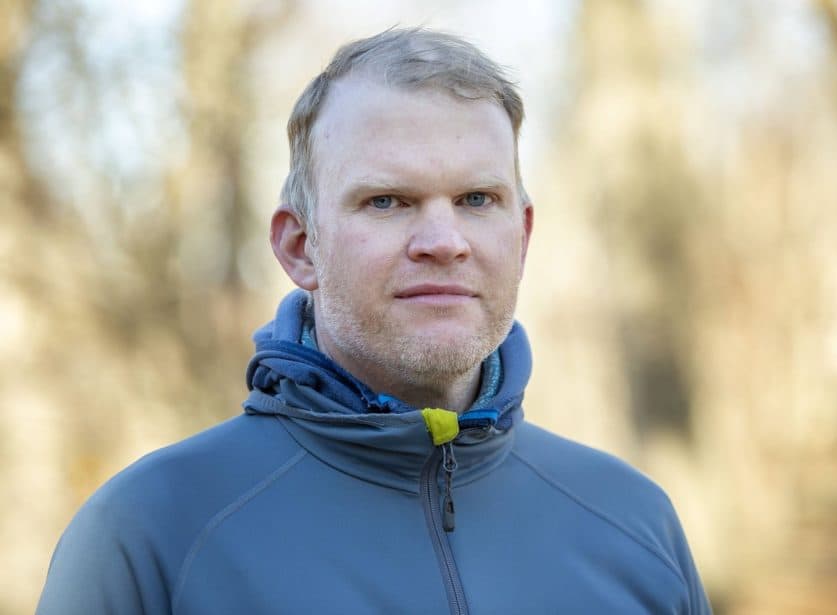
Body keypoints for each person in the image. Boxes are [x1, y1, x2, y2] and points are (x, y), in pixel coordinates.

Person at [37, 27, 712, 614]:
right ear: (300, 246)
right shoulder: (152, 535)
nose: (444, 239)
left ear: (523, 234)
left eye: (478, 198)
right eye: (387, 201)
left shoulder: (635, 525)